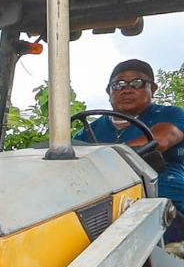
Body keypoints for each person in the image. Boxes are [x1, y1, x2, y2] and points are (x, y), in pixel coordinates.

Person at [76, 59, 184, 241]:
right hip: (106, 206)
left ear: (153, 89)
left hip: (167, 201)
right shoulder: (88, 132)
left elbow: (159, 140)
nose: (126, 89)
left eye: (137, 83)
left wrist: (99, 158)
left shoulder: (170, 115)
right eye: (118, 84)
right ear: (109, 91)